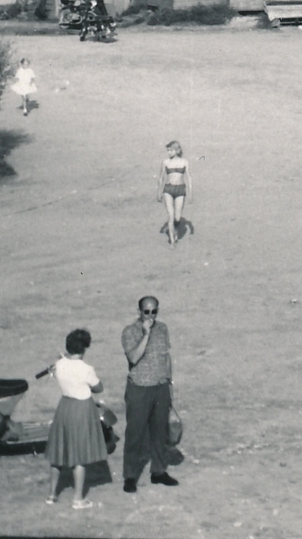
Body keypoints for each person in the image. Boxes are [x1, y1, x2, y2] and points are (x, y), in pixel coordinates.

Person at [120, 296, 178, 493]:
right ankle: (130, 476)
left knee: (160, 432)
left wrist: (169, 383)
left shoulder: (162, 329)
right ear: (139, 312)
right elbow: (134, 357)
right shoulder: (129, 332)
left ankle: (159, 472)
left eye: (154, 311)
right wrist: (145, 334)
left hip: (160, 387)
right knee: (135, 434)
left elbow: (166, 357)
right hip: (139, 388)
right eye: (147, 312)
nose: (151, 316)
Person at [46, 328, 105, 509]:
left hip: (64, 407)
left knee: (58, 453)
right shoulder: (86, 369)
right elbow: (98, 388)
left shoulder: (59, 364)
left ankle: (52, 495)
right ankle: (78, 499)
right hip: (81, 409)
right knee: (79, 455)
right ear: (84, 348)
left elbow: (57, 370)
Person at [157, 141, 192, 247]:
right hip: (168, 189)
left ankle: (175, 230)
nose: (168, 152)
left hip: (180, 189)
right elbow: (161, 178)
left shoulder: (184, 162)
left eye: (170, 150)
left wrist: (191, 192)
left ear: (177, 151)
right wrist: (159, 191)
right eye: (167, 150)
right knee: (171, 216)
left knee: (177, 217)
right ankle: (172, 240)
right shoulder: (166, 162)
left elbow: (189, 178)